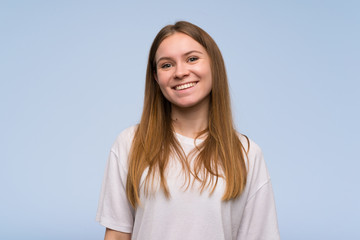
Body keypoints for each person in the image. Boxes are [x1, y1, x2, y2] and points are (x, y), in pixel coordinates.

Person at [96, 21, 280, 240]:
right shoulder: (130, 143)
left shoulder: (247, 154)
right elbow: (117, 235)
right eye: (166, 65)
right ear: (156, 78)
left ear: (214, 65)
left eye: (192, 59)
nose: (180, 72)